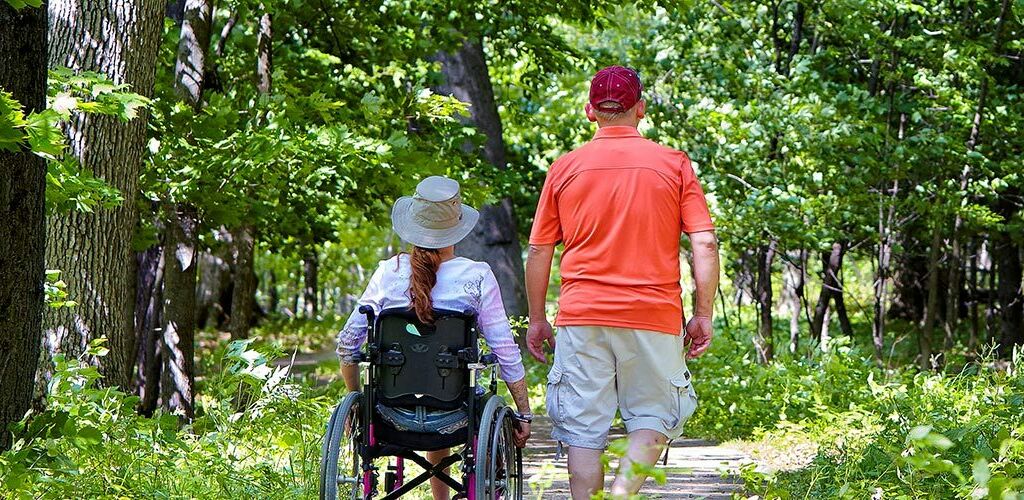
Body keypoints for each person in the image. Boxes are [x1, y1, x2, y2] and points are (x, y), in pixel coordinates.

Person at [525, 66, 720, 499]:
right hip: (653, 315)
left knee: (581, 431)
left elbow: (540, 251)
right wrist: (702, 314)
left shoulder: (564, 168)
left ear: (590, 111)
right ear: (641, 109)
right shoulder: (673, 164)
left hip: (581, 315)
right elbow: (703, 243)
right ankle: (621, 493)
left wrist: (538, 319)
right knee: (652, 418)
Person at [336, 176, 532, 500]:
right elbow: (505, 351)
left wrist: (358, 402)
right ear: (456, 226)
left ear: (413, 222)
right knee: (454, 385)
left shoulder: (388, 273)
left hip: (389, 411)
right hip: (457, 414)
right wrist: (522, 413)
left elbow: (348, 342)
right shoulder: (477, 275)